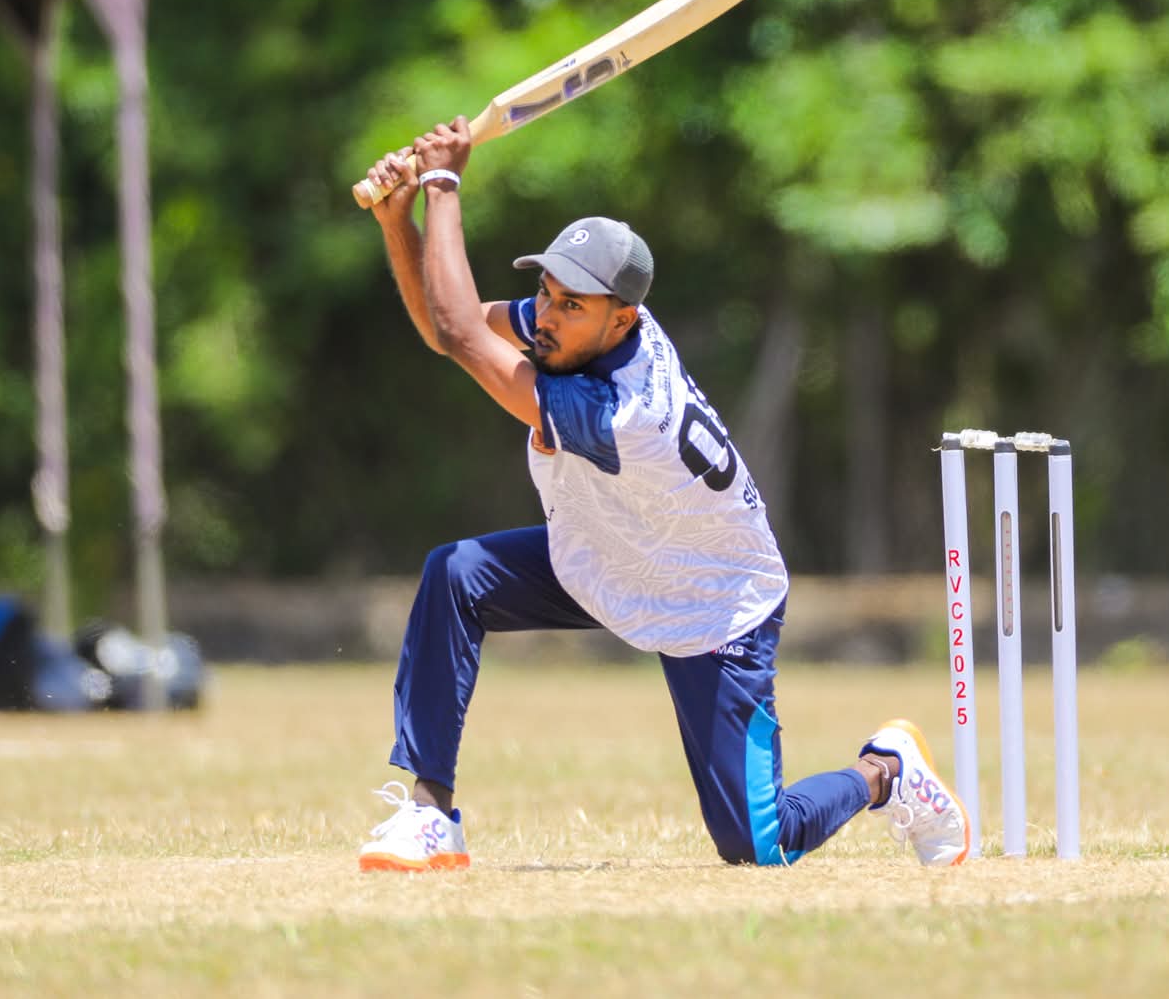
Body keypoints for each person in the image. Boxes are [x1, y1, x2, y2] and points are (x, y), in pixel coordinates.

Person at [355, 116, 970, 871]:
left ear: (625, 317)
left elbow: (456, 329)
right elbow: (445, 326)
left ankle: (885, 773)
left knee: (758, 845)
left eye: (569, 304)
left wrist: (443, 183)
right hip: (609, 553)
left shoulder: (623, 412)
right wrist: (399, 222)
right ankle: (428, 812)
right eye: (543, 293)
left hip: (710, 598)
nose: (545, 315)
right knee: (457, 574)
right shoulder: (574, 328)